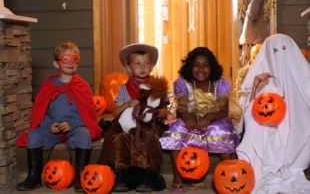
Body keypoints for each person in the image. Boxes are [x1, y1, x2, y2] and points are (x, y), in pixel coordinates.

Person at [16, 41, 102, 192]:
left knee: (85, 135)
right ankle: (34, 177)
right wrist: (48, 125)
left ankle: (80, 176)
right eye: (65, 59)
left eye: (74, 58)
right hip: (52, 130)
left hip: (75, 129)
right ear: (56, 64)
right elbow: (40, 114)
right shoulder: (48, 86)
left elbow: (88, 115)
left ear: (78, 62)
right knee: (34, 136)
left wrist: (72, 125)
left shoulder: (82, 86)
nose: (70, 63)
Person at [159, 47, 242, 193]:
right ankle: (177, 178)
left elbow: (224, 111)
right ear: (189, 67)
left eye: (206, 65)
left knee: (221, 130)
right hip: (190, 119)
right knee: (176, 128)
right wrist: (186, 116)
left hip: (215, 119)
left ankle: (228, 175)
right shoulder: (183, 83)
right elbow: (181, 109)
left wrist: (209, 117)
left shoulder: (220, 84)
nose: (201, 69)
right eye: (196, 64)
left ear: (212, 67)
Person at [236, 34, 310, 194]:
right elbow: (248, 111)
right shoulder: (261, 77)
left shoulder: (302, 75)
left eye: (284, 50)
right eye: (275, 51)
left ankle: (290, 166)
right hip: (266, 125)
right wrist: (257, 89)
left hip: (295, 126)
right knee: (260, 128)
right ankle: (267, 167)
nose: (280, 56)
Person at [98, 43, 168, 192]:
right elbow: (116, 112)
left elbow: (164, 112)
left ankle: (148, 175)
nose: (142, 67)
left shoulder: (156, 86)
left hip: (150, 123)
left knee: (148, 136)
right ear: (129, 68)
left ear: (151, 66)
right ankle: (121, 174)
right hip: (127, 123)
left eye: (146, 63)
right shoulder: (125, 88)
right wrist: (128, 105)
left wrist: (152, 112)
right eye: (137, 63)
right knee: (120, 137)